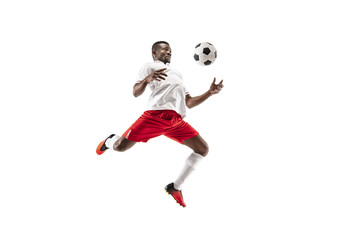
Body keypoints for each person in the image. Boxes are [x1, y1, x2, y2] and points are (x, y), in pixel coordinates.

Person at [96, 41, 224, 207]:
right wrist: (146, 79)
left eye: (170, 49)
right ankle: (110, 140)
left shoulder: (177, 73)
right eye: (164, 48)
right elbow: (135, 92)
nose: (169, 51)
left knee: (203, 149)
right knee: (120, 147)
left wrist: (209, 93)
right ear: (154, 53)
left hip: (175, 121)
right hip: (155, 116)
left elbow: (189, 102)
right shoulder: (149, 66)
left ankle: (175, 187)